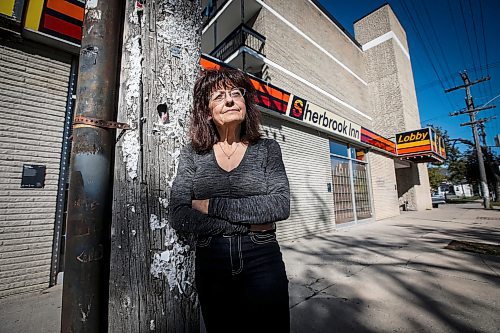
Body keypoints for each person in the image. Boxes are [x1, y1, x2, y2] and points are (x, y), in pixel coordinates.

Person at [168, 67, 291, 333]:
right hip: (211, 259)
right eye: (219, 96)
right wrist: (249, 223)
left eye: (236, 94)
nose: (230, 100)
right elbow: (178, 213)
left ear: (246, 104)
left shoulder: (267, 149)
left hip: (262, 257)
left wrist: (210, 205)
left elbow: (280, 205)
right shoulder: (193, 153)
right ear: (207, 111)